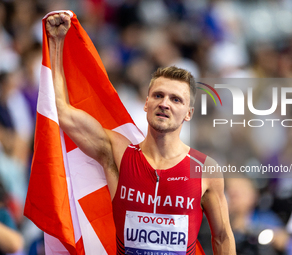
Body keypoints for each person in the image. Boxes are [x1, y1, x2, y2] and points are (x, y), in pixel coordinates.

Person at [46, 12, 236, 255]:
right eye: (158, 95)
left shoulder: (204, 169)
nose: (164, 103)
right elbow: (61, 111)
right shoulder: (119, 153)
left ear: (188, 113)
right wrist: (56, 42)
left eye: (175, 99)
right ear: (146, 104)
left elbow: (222, 237)